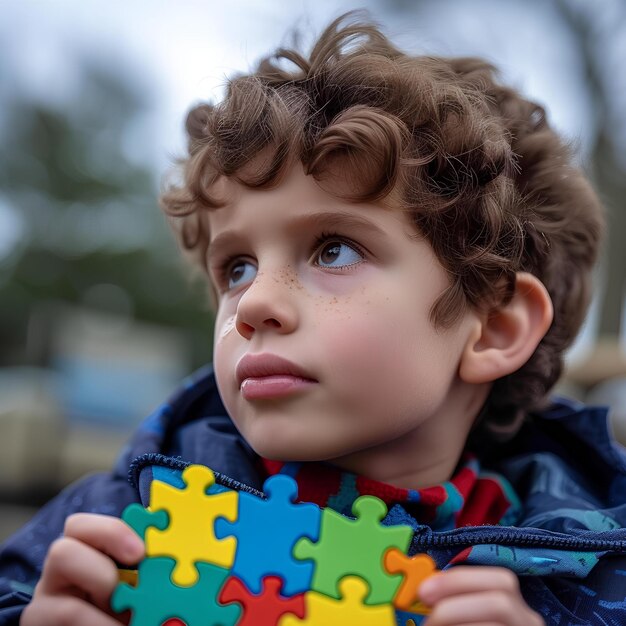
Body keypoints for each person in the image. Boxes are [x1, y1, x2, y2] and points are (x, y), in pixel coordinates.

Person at [2, 11, 625, 626]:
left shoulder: (585, 577)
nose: (253, 305)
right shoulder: (122, 515)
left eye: (335, 250)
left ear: (494, 328)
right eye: (237, 268)